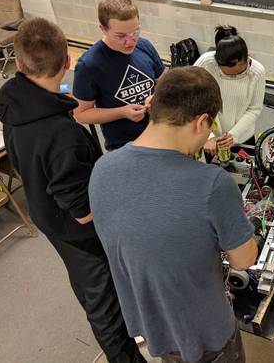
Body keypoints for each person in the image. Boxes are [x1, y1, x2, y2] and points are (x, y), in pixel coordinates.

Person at [0, 18, 144, 363]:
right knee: (102, 302)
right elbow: (83, 209)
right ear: (67, 62)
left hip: (46, 211)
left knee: (91, 289)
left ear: (18, 63)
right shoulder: (62, 136)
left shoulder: (12, 102)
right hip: (79, 234)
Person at [89, 66, 258, 362]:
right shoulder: (212, 183)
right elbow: (243, 260)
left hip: (154, 324)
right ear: (202, 121)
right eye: (210, 127)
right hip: (206, 333)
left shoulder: (102, 169)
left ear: (153, 105)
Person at [73, 0, 164, 151]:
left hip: (160, 135)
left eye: (135, 32)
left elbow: (163, 82)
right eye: (120, 36)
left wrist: (157, 97)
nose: (130, 42)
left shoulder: (144, 46)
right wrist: (122, 112)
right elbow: (81, 114)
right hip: (125, 147)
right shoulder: (89, 65)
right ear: (103, 29)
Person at [194, 25, 266, 157]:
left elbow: (254, 109)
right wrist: (208, 136)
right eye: (226, 73)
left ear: (246, 60)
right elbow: (193, 102)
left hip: (242, 137)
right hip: (209, 139)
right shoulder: (206, 63)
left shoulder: (257, 72)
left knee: (249, 174)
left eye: (238, 74)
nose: (232, 77)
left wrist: (233, 135)